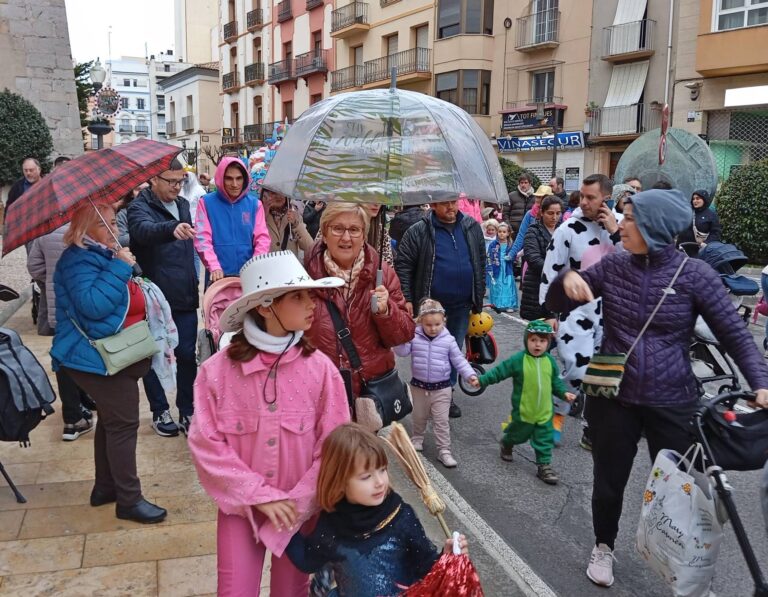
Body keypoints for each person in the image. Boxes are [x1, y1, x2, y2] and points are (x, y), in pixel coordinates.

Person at [545, 188, 768, 588]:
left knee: (681, 491)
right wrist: (569, 280)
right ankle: (603, 546)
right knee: (609, 480)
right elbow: (557, 300)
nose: (620, 223)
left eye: (629, 218)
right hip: (614, 398)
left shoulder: (695, 275)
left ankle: (684, 561)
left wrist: (762, 382)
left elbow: (734, 333)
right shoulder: (613, 266)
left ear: (654, 227)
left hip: (673, 399)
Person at [188, 251, 350, 596]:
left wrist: (298, 503)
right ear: (264, 306)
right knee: (235, 590)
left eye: (310, 294)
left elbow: (335, 448)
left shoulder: (321, 371)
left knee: (293, 591)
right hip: (240, 511)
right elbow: (206, 444)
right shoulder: (216, 373)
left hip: (300, 515)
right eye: (297, 296)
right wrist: (258, 496)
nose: (311, 304)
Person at [51, 203, 166, 524]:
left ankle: (105, 488)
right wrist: (119, 267)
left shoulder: (99, 253)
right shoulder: (77, 259)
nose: (114, 229)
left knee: (111, 422)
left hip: (107, 354)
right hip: (93, 357)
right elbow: (93, 306)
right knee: (124, 424)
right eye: (107, 224)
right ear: (86, 229)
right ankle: (129, 500)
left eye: (115, 222)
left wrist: (120, 262)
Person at [285, 423, 468, 597]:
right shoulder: (331, 524)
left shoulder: (400, 516)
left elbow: (424, 566)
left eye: (382, 470)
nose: (379, 482)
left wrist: (446, 556)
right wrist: (283, 525)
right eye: (366, 477)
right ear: (339, 481)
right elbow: (307, 560)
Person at [305, 203, 414, 414]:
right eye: (337, 228)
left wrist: (386, 312)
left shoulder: (384, 275)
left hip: (368, 394)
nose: (346, 238)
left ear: (364, 235)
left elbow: (403, 335)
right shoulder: (304, 277)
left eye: (354, 230)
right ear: (324, 234)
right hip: (319, 390)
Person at [539, 174, 620, 450]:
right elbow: (551, 271)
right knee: (577, 369)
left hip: (612, 312)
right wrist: (550, 312)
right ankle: (556, 415)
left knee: (604, 375)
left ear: (605, 199)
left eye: (591, 197)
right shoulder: (567, 229)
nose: (584, 202)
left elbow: (636, 263)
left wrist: (615, 229)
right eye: (582, 196)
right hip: (575, 311)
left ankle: (591, 429)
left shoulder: (620, 228)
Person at [395, 199, 485, 418]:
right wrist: (406, 297)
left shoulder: (471, 227)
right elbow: (403, 264)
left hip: (462, 303)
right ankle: (425, 396)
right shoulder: (419, 231)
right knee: (429, 353)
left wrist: (478, 294)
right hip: (431, 307)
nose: (451, 207)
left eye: (453, 202)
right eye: (445, 203)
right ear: (433, 205)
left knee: (452, 350)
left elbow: (480, 261)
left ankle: (447, 394)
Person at [128, 160, 199, 437]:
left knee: (186, 355)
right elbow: (142, 231)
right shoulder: (139, 207)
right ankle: (159, 409)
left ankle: (187, 407)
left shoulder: (182, 204)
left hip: (184, 291)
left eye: (180, 181)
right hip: (154, 297)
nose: (176, 186)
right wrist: (171, 229)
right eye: (170, 181)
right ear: (153, 179)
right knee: (154, 356)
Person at [473, 320, 575, 483]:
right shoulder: (518, 360)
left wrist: (564, 394)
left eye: (542, 341)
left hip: (544, 412)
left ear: (548, 343)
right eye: (533, 340)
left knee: (544, 439)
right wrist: (483, 380)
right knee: (517, 435)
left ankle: (544, 466)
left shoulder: (549, 361)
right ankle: (507, 443)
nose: (537, 345)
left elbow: (555, 382)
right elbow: (500, 371)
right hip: (524, 411)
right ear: (526, 340)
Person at [27, 222, 96, 440]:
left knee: (64, 359)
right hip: (84, 303)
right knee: (86, 355)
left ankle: (73, 417)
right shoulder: (86, 230)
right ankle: (79, 410)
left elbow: (34, 267)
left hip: (58, 305)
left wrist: (50, 280)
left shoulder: (44, 232)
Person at [394, 299, 478, 468]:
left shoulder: (448, 340)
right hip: (418, 387)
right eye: (428, 325)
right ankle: (417, 439)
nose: (433, 328)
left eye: (437, 324)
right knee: (419, 416)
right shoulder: (414, 337)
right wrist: (400, 338)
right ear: (420, 323)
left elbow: (459, 360)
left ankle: (444, 451)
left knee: (441, 421)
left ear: (444, 321)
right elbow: (402, 352)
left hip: (442, 388)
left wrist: (470, 375)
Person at [194, 156, 271, 283]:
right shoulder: (206, 203)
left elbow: (262, 238)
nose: (235, 184)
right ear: (220, 178)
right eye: (229, 178)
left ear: (245, 179)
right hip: (218, 276)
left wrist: (255, 265)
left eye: (239, 178)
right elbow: (202, 238)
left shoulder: (255, 204)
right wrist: (214, 266)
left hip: (249, 275)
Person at [521, 196, 561, 322]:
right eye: (550, 213)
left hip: (558, 288)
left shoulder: (563, 230)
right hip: (536, 286)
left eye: (558, 213)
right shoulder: (533, 231)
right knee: (539, 335)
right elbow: (533, 259)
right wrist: (557, 272)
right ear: (542, 212)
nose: (554, 217)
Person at [261, 189, 313, 257]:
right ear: (264, 195)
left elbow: (309, 246)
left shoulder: (294, 214)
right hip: (266, 264)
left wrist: (296, 224)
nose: (278, 196)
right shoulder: (259, 214)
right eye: (273, 193)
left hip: (289, 265)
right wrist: (262, 217)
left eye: (282, 193)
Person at [487, 222, 518, 312]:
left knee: (508, 286)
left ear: (508, 233)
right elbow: (489, 255)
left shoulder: (510, 244)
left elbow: (514, 255)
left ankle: (509, 305)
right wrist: (489, 267)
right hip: (496, 268)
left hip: (507, 268)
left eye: (504, 232)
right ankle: (495, 304)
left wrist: (511, 258)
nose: (501, 233)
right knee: (496, 285)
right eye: (500, 231)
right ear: (497, 232)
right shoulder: (493, 244)